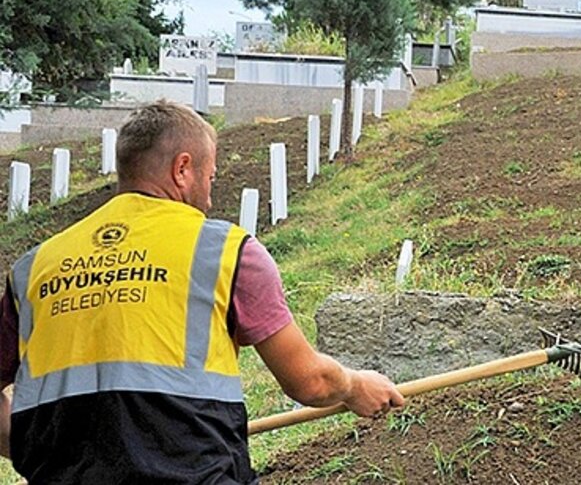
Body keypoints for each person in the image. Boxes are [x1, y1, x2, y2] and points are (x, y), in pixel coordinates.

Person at [0, 100, 404, 483]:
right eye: (210, 178)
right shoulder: (224, 252)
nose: (210, 198)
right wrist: (354, 387)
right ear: (183, 169)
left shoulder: (35, 267)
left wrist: (35, 452)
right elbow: (308, 382)